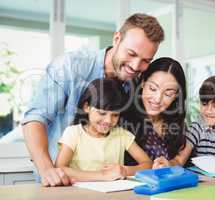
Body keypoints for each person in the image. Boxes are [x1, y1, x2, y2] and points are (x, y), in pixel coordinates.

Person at [22, 13, 164, 186]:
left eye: (145, 61)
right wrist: (47, 170)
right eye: (131, 53)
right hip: (57, 183)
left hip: (109, 187)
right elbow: (35, 119)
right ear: (117, 38)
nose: (135, 66)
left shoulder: (135, 83)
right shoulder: (70, 66)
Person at [55, 79, 151, 182]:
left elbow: (148, 164)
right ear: (86, 107)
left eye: (115, 115)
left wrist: (125, 170)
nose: (108, 121)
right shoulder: (73, 133)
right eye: (102, 113)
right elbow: (60, 169)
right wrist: (103, 175)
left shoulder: (122, 135)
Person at [154, 74, 215, 168]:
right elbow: (180, 159)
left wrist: (209, 164)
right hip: (203, 176)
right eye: (204, 104)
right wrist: (169, 164)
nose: (208, 110)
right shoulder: (197, 127)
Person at [120, 57, 187, 168]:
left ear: (176, 96)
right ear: (143, 83)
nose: (157, 99)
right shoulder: (123, 119)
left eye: (168, 94)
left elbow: (178, 161)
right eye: (152, 88)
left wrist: (169, 164)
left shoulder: (176, 123)